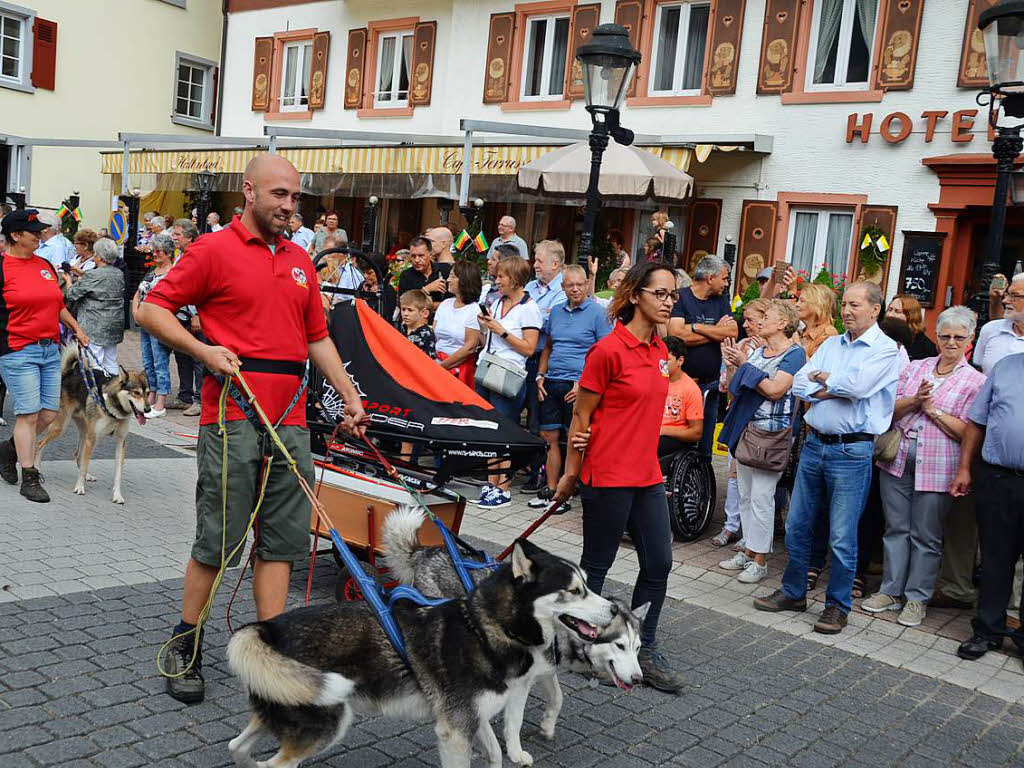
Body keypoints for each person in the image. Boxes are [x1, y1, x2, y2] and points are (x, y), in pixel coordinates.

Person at [137, 155, 366, 704]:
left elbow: (317, 338)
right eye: (279, 195)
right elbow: (152, 310)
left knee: (282, 544)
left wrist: (351, 395)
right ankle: (185, 641)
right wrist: (203, 351)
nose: (289, 206)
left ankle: (274, 650)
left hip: (290, 418)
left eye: (296, 197)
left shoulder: (299, 261)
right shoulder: (212, 250)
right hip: (232, 415)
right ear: (249, 192)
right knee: (218, 540)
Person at [552, 261, 684, 694]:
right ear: (635, 296)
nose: (668, 302)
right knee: (597, 565)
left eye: (672, 295)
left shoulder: (661, 352)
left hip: (646, 473)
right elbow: (580, 416)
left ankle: (643, 645)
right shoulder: (608, 350)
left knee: (659, 563)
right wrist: (570, 475)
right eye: (660, 293)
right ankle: (578, 644)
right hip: (606, 473)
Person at [754, 282, 898, 634]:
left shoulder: (885, 349)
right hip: (815, 443)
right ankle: (793, 591)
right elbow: (800, 384)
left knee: (841, 534)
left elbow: (859, 388)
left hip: (852, 449)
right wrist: (831, 385)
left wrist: (826, 384)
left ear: (875, 309)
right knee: (799, 524)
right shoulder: (832, 345)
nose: (847, 310)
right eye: (845, 304)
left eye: (855, 305)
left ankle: (837, 605)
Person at [859, 306, 985, 628]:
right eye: (945, 336)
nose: (951, 343)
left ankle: (917, 598)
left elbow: (970, 431)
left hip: (939, 465)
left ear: (970, 340)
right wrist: (915, 401)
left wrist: (932, 411)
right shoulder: (917, 367)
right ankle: (890, 590)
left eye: (959, 337)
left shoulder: (976, 381)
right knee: (896, 529)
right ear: (936, 337)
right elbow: (889, 410)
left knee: (926, 536)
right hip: (897, 459)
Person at [0, 209, 90, 504]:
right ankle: (30, 476)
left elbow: (57, 304)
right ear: (15, 235)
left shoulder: (45, 265)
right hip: (17, 349)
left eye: (41, 231)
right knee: (28, 414)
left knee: (49, 414)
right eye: (34, 232)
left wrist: (76, 327)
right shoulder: (2, 267)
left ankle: (8, 449)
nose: (40, 235)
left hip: (50, 349)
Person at [718, 300, 805, 584]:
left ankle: (760, 560)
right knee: (745, 494)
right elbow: (735, 389)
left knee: (762, 497)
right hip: (746, 430)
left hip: (772, 436)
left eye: (767, 316)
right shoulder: (756, 351)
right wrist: (732, 366)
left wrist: (745, 366)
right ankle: (747, 547)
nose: (761, 320)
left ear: (783, 323)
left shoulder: (795, 354)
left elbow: (775, 389)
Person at [952, 348, 1024, 662]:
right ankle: (987, 631)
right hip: (999, 479)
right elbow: (976, 422)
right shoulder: (1007, 367)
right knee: (996, 558)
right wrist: (965, 468)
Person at [532, 264, 611, 512]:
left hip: (580, 385)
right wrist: (540, 376)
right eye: (570, 285)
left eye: (580, 284)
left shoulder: (598, 313)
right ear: (563, 287)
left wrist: (584, 383)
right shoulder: (555, 312)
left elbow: (604, 352)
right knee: (549, 436)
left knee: (572, 438)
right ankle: (552, 490)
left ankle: (567, 493)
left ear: (587, 284)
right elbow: (548, 346)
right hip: (552, 381)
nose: (575, 289)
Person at [474, 256, 541, 510]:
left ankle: (503, 486)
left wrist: (501, 330)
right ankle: (491, 484)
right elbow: (487, 339)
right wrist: (485, 327)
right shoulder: (496, 301)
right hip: (488, 367)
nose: (497, 280)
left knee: (503, 430)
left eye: (502, 276)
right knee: (489, 429)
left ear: (514, 279)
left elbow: (530, 348)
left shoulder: (529, 308)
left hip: (509, 373)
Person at [710, 298, 770, 549]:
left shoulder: (774, 350)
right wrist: (734, 364)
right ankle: (731, 525)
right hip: (738, 417)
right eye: (744, 319)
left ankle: (751, 535)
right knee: (735, 475)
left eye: (750, 319)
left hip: (762, 422)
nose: (744, 324)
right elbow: (729, 386)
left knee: (759, 485)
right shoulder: (742, 345)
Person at [666, 255, 738, 457]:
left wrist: (695, 328)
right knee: (679, 438)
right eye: (724, 278)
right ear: (710, 278)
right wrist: (716, 331)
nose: (726, 283)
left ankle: (702, 483)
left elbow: (732, 332)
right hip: (680, 385)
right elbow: (677, 334)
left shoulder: (722, 301)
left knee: (705, 444)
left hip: (710, 386)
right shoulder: (681, 297)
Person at [523, 240, 567, 492]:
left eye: (539, 260)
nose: (535, 264)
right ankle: (528, 468)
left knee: (539, 421)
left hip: (544, 358)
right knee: (526, 417)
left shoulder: (562, 289)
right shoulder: (530, 286)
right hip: (523, 355)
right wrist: (538, 315)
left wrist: (534, 316)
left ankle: (540, 474)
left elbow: (550, 321)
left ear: (555, 263)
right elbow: (524, 316)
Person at [61, 238, 125, 378]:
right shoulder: (118, 273)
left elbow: (72, 294)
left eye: (95, 254)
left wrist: (69, 281)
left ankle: (97, 393)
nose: (94, 256)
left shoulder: (93, 275)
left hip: (94, 325)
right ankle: (110, 389)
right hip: (114, 324)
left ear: (100, 257)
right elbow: (103, 281)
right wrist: (83, 274)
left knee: (93, 361)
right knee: (110, 360)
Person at [132, 233, 176, 415]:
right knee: (148, 362)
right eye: (154, 251)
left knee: (160, 361)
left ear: (168, 253)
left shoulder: (172, 273)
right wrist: (135, 311)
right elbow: (138, 292)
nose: (155, 254)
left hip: (159, 324)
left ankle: (161, 402)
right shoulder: (152, 272)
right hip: (144, 323)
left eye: (158, 251)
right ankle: (152, 394)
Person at [166, 221, 204, 417]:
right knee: (182, 356)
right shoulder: (180, 255)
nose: (174, 237)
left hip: (194, 315)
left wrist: (197, 313)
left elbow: (200, 285)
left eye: (178, 234)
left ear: (189, 237)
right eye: (174, 233)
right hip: (180, 315)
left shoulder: (197, 256)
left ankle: (199, 400)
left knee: (198, 358)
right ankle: (185, 396)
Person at [434, 259, 482, 388]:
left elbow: (470, 347)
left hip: (458, 369)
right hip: (436, 361)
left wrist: (442, 366)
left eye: (453, 277)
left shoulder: (474, 310)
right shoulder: (445, 304)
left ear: (465, 280)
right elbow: (434, 335)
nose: (448, 280)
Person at [658, 335, 703, 457]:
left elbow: (696, 433)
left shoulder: (690, 389)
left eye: (666, 360)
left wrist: (663, 430)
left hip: (671, 438)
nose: (661, 364)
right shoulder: (654, 381)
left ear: (680, 361)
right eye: (659, 359)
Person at [974, 273, 1024, 374]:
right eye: (1007, 294)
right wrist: (995, 299)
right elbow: (978, 371)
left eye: (1014, 296)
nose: (1005, 300)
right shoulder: (991, 329)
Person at [398, 236, 449, 309]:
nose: (416, 260)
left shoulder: (445, 270)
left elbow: (453, 303)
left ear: (430, 254)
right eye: (413, 256)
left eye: (421, 256)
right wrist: (426, 290)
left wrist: (421, 305)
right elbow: (405, 304)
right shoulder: (406, 276)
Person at [887, 294, 937, 361]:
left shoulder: (924, 346)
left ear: (910, 316)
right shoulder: (881, 335)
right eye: (890, 310)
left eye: (897, 311)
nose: (890, 315)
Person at [795, 283, 839, 359]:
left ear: (817, 305)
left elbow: (816, 368)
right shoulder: (802, 330)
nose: (796, 304)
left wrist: (796, 345)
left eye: (802, 301)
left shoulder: (828, 333)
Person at [399, 289, 436, 359]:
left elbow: (429, 361)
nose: (405, 314)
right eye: (403, 309)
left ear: (424, 313)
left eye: (410, 310)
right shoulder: (403, 327)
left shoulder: (427, 334)